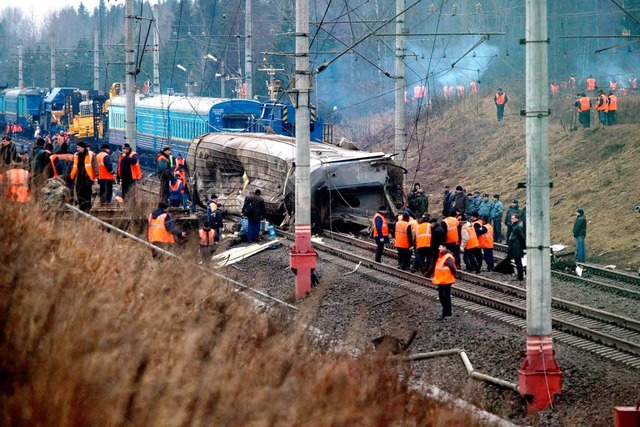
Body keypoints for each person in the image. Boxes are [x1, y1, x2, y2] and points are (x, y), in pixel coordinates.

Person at [70, 141, 97, 212]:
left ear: (83, 148)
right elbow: (73, 166)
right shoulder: (75, 155)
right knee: (79, 194)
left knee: (87, 194)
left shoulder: (91, 154)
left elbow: (95, 166)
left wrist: (96, 176)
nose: (77, 149)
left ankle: (87, 209)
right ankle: (81, 208)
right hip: (78, 179)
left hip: (87, 179)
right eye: (77, 147)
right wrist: (71, 176)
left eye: (78, 147)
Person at [433, 244, 456, 320]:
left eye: (441, 247)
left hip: (446, 280)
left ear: (445, 247)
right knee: (442, 297)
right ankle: (445, 313)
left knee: (445, 297)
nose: (439, 248)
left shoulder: (448, 256)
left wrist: (452, 273)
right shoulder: (441, 256)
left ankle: (448, 313)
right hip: (441, 280)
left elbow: (452, 266)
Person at [505, 213, 526, 281]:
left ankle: (520, 276)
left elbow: (522, 237)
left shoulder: (517, 227)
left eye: (512, 218)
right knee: (517, 261)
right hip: (515, 246)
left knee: (518, 261)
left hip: (516, 247)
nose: (511, 220)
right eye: (511, 218)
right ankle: (519, 276)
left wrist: (523, 247)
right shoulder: (515, 225)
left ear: (516, 218)